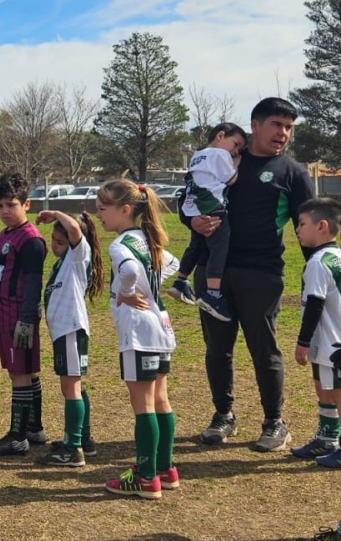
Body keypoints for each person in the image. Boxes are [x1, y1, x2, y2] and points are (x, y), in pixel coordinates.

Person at [186, 98, 315, 451]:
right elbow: (191, 197)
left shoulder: (292, 172)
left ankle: (275, 421)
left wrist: (318, 267)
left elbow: (311, 227)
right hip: (213, 272)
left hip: (262, 273)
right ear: (255, 125)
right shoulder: (221, 161)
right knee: (217, 349)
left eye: (288, 127)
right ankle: (223, 415)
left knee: (264, 349)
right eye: (277, 124)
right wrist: (191, 220)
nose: (283, 133)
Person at [96, 181, 179, 499]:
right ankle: (165, 470)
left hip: (138, 334)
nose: (99, 215)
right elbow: (174, 263)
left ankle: (145, 478)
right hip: (161, 327)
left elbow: (129, 271)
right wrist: (154, 285)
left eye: (103, 209)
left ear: (125, 210)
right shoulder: (149, 237)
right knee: (161, 399)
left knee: (143, 405)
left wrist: (129, 293)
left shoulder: (120, 246)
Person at [0, 172, 48, 457]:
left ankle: (17, 436)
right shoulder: (5, 234)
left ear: (26, 204)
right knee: (27, 371)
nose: (5, 211)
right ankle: (34, 427)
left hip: (17, 316)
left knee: (19, 373)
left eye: (11, 204)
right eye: (0, 205)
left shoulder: (30, 240)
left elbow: (33, 282)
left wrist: (25, 318)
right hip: (5, 314)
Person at [32, 211, 104, 466]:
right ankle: (84, 439)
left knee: (70, 387)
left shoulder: (77, 255)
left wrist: (55, 214)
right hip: (64, 331)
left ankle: (72, 449)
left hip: (70, 329)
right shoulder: (62, 261)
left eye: (61, 242)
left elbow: (73, 228)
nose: (55, 245)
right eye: (53, 239)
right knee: (75, 385)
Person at [167, 123, 248, 321]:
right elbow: (231, 180)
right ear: (220, 136)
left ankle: (180, 281)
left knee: (196, 245)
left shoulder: (198, 154)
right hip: (212, 206)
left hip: (194, 206)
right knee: (219, 248)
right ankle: (212, 294)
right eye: (235, 144)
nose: (235, 151)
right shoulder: (220, 155)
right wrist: (236, 164)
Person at [289, 198, 341, 466]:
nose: (297, 229)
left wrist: (303, 341)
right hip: (332, 341)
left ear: (322, 226)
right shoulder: (337, 257)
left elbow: (315, 305)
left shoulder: (318, 262)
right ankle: (327, 438)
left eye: (301, 223)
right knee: (324, 387)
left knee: (337, 393)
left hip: (332, 343)